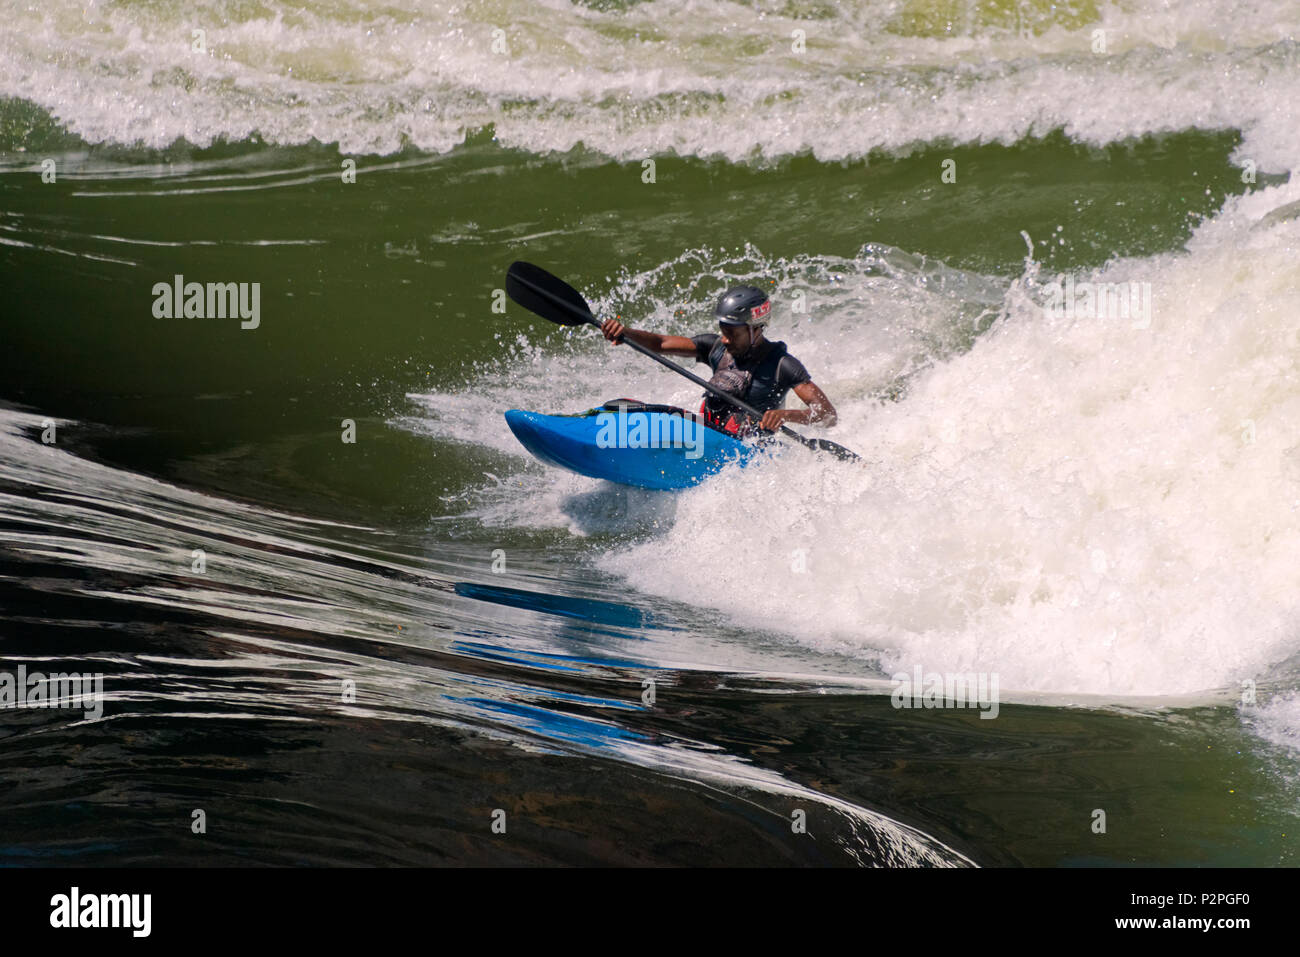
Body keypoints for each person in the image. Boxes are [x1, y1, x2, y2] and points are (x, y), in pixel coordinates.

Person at [600, 285, 837, 436]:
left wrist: (785, 415)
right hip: (709, 436)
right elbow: (660, 343)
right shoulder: (713, 347)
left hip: (749, 452)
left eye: (732, 333)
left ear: (755, 329)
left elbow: (827, 415)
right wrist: (626, 334)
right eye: (723, 331)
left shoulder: (782, 365)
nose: (724, 339)